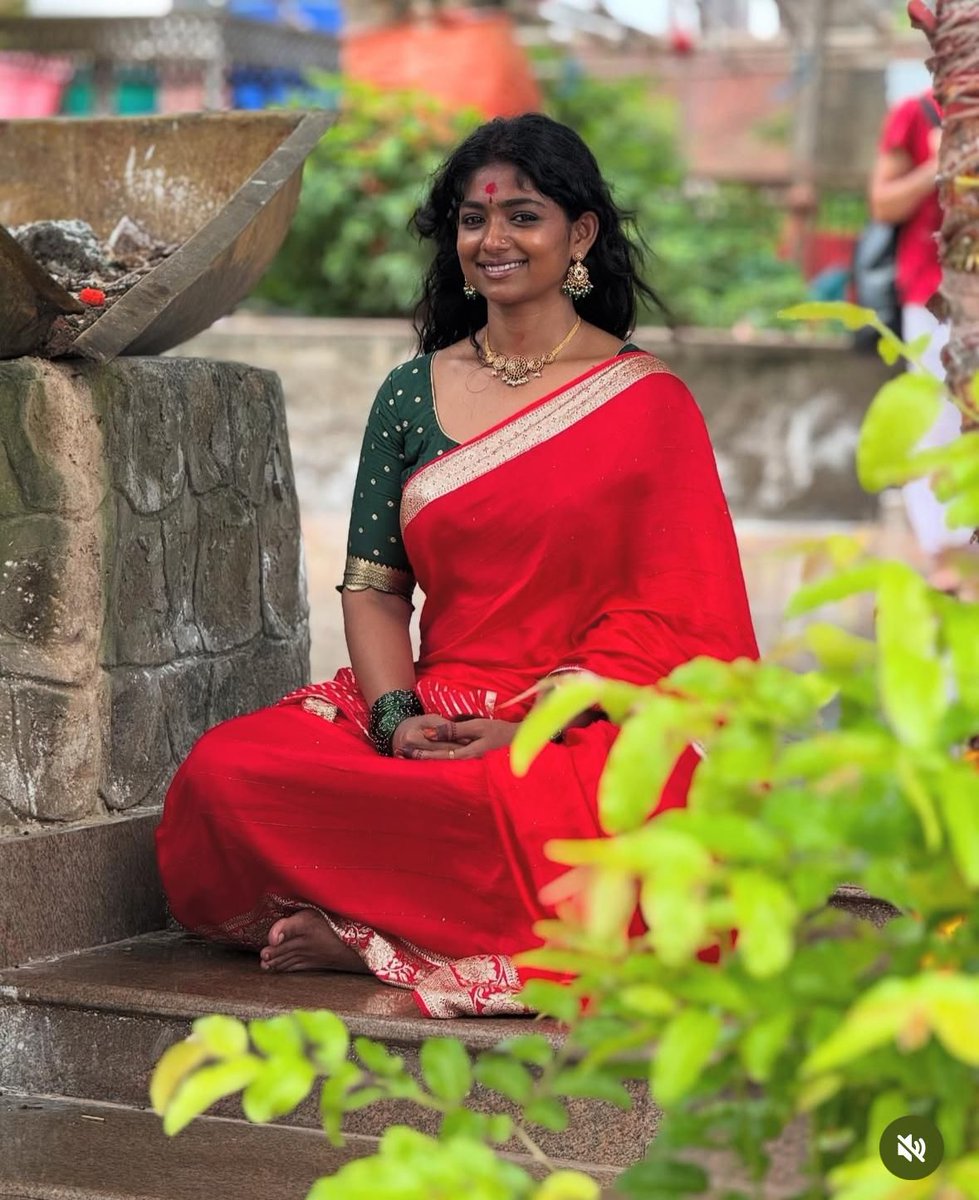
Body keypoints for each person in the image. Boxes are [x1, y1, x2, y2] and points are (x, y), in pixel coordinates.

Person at [156, 114, 757, 1018]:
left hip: (574, 723)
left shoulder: (647, 404)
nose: (493, 240)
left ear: (579, 233)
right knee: (225, 772)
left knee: (572, 817)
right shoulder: (411, 391)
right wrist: (395, 717)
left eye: (523, 216)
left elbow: (683, 618)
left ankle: (374, 940)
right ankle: (409, 925)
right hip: (434, 701)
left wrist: (531, 732)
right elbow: (374, 587)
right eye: (473, 222)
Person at [869, 87, 972, 585]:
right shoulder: (918, 112)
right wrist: (936, 165)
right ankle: (946, 561)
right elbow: (883, 203)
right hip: (934, 297)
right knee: (937, 424)